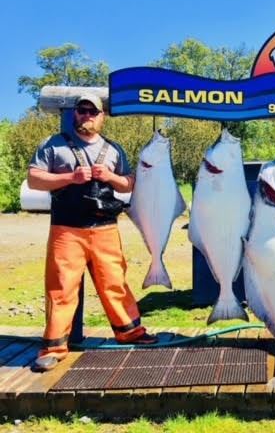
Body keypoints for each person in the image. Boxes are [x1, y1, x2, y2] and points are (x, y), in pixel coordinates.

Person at [27, 93, 157, 372]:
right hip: (66, 229)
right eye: (82, 110)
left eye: (92, 111)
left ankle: (130, 332)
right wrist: (70, 177)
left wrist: (109, 177)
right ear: (75, 113)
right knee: (61, 287)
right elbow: (34, 178)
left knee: (115, 282)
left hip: (105, 229)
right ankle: (53, 347)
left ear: (102, 116)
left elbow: (128, 183)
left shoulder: (114, 149)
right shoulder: (53, 145)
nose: (87, 115)